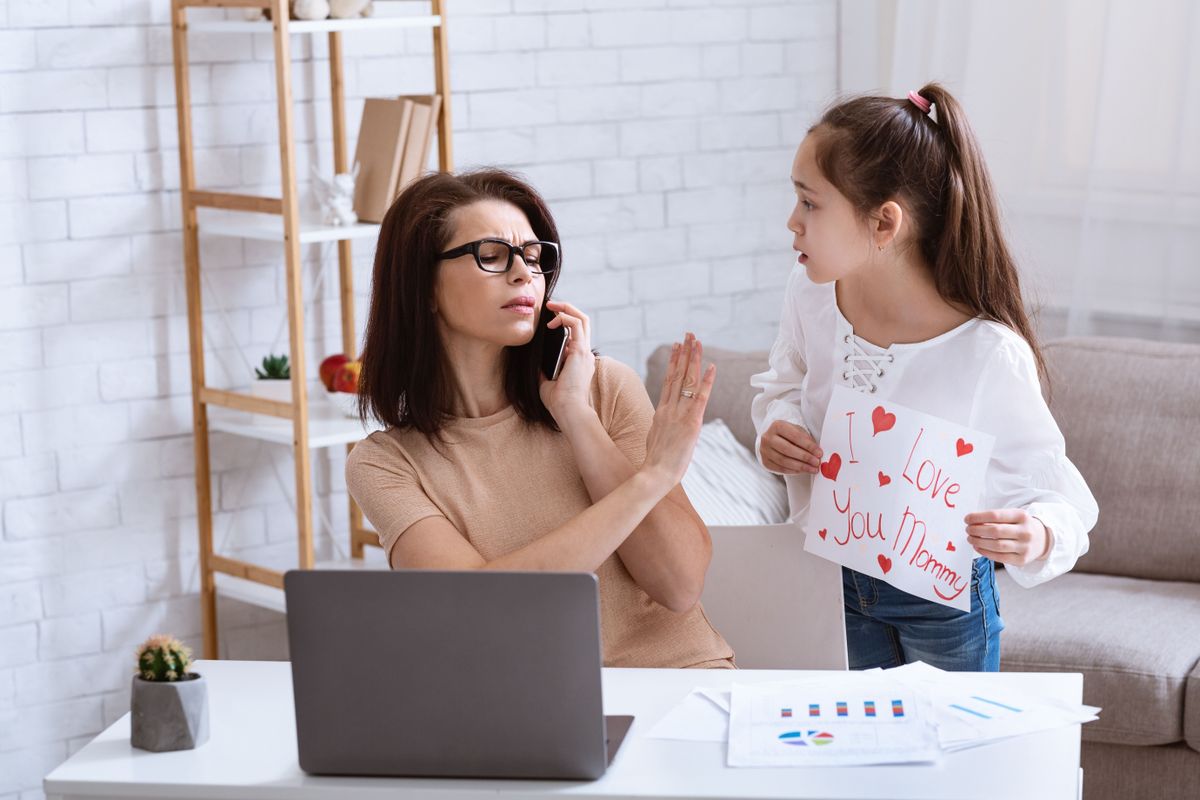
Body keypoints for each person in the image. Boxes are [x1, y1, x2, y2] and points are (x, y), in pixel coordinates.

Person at [750, 84, 1099, 671]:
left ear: (884, 222)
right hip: (827, 579)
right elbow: (784, 384)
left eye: (809, 203)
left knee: (945, 732)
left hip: (942, 602)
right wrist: (777, 427)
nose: (792, 222)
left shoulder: (987, 353)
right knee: (846, 728)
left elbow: (1058, 493)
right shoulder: (809, 295)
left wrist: (1037, 533)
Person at [345, 168, 734, 669]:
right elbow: (479, 613)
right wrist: (651, 479)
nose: (523, 273)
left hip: (682, 681)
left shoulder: (603, 388)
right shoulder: (386, 464)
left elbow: (679, 586)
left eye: (532, 256)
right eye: (491, 255)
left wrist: (576, 416)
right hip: (533, 705)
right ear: (422, 286)